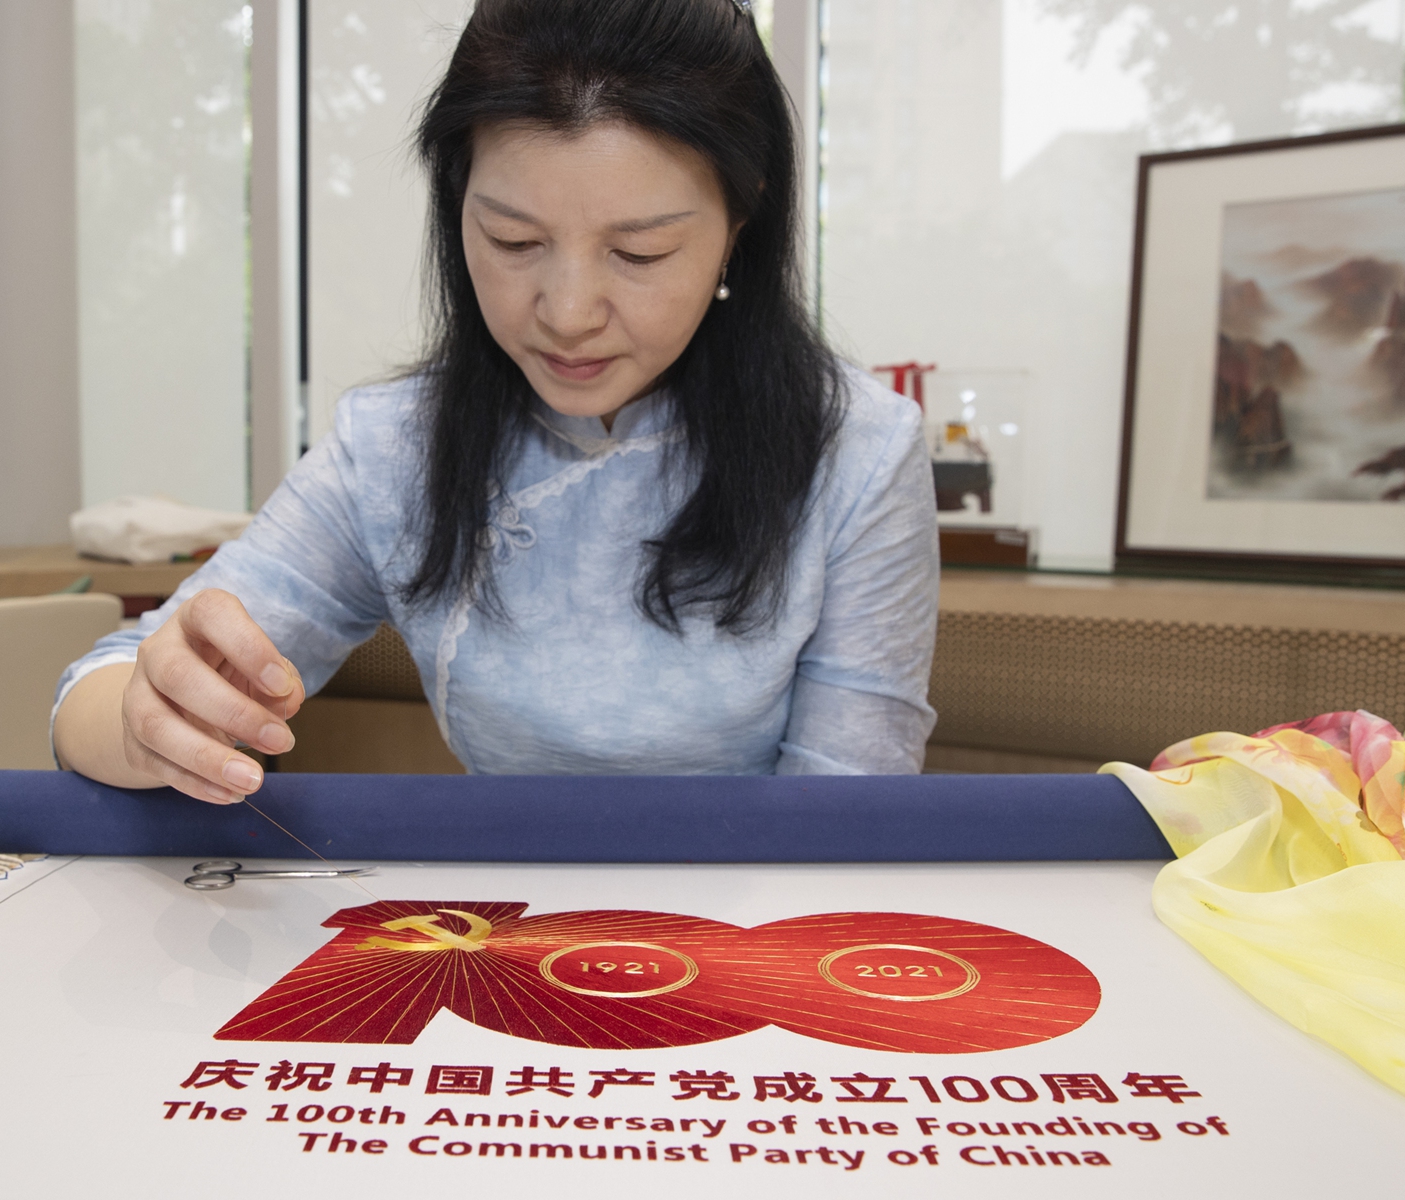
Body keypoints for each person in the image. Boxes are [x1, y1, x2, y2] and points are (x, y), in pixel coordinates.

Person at [53, 0, 938, 802]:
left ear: (738, 233)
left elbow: (846, 821)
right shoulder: (398, 443)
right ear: (457, 211)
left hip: (756, 942)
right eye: (513, 239)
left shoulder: (855, 450)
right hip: (497, 939)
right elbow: (108, 681)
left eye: (638, 255)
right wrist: (148, 720)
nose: (566, 312)